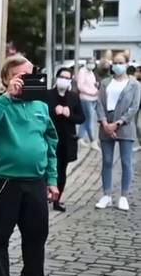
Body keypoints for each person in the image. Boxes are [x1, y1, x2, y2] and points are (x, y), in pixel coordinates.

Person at [0, 55, 58, 276]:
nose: (28, 79)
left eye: (31, 74)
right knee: (0, 236)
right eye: (22, 76)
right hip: (5, 181)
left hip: (35, 181)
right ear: (7, 78)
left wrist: (52, 179)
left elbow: (51, 144)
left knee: (36, 236)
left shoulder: (40, 107)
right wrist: (7, 97)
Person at [94, 53, 140, 212]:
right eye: (115, 62)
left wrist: (118, 123)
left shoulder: (134, 84)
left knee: (126, 162)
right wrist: (105, 123)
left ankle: (123, 196)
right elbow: (98, 103)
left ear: (127, 64)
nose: (117, 65)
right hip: (106, 124)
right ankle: (106, 195)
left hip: (125, 126)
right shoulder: (105, 82)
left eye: (121, 62)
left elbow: (134, 107)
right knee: (107, 161)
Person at [45, 68, 85, 212]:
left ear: (70, 81)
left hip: (66, 141)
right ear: (56, 78)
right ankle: (44, 197)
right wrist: (53, 111)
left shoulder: (73, 97)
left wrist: (69, 115)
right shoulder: (47, 95)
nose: (64, 79)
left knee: (61, 172)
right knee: (46, 169)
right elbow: (40, 114)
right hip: (49, 140)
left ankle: (57, 199)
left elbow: (81, 118)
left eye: (67, 78)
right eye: (62, 76)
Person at [76, 61, 99, 149]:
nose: (92, 64)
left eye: (93, 63)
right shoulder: (82, 71)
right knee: (90, 120)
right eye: (90, 62)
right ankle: (93, 140)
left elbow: (92, 84)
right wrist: (91, 92)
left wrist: (96, 87)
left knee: (85, 119)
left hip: (94, 98)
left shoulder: (91, 72)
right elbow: (80, 86)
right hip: (86, 98)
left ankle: (80, 138)